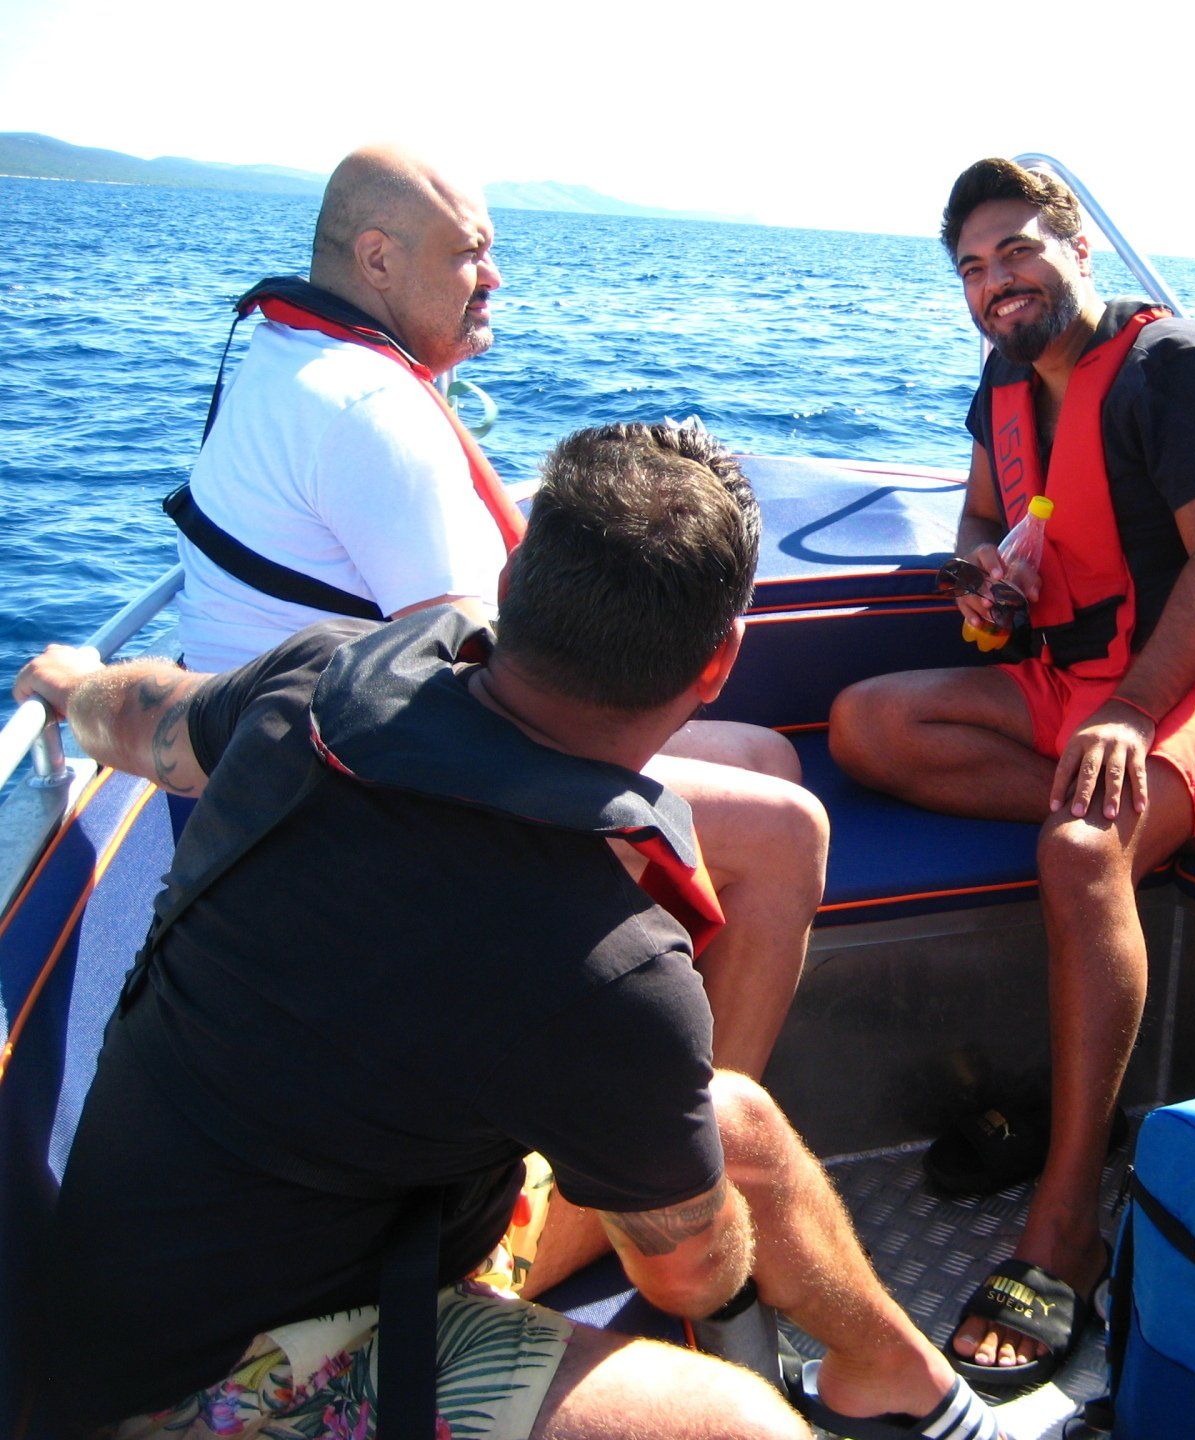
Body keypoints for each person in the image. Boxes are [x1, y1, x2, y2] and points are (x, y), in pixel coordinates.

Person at [16, 423, 999, 1440]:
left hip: (342, 1228)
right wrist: (637, 1155)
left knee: (732, 1118)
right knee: (739, 1424)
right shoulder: (611, 973)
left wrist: (65, 685)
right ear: (720, 664)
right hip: (209, 1377)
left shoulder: (313, 688)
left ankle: (894, 1372)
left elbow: (147, 717)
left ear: (517, 568)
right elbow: (695, 1276)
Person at [170, 144, 823, 1082]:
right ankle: (696, 1146)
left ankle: (629, 1056)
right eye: (469, 253)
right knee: (788, 832)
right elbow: (473, 687)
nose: (495, 277)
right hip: (364, 808)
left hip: (280, 759)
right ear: (379, 259)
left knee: (765, 755)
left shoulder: (284, 359)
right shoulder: (372, 415)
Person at [828, 158, 1195, 1389]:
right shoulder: (1000, 385)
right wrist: (983, 580)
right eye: (974, 269)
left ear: (1080, 247)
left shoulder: (1180, 369)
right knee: (863, 727)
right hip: (1078, 684)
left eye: (1018, 252)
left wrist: (1141, 713)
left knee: (1081, 847)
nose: (998, 283)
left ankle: (1065, 1225)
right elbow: (982, 531)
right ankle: (1182, 814)